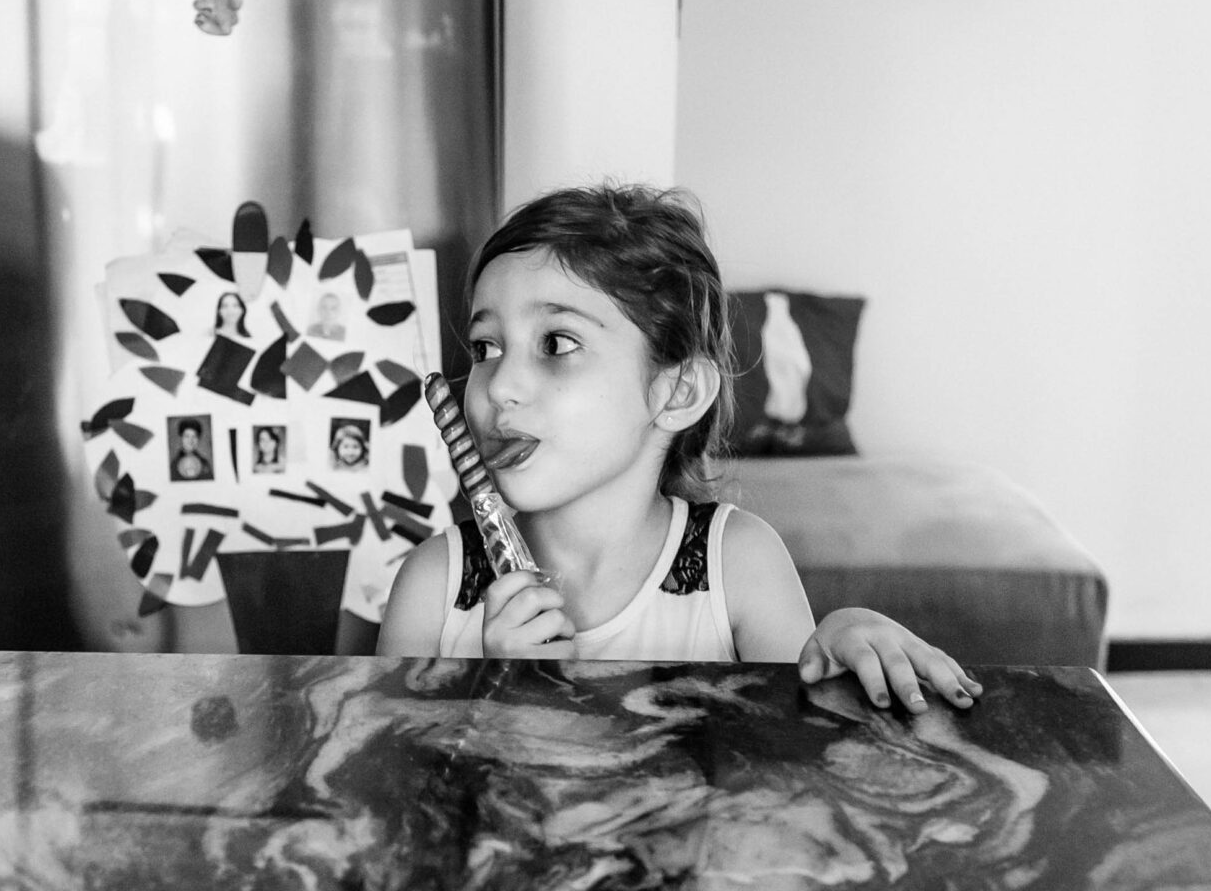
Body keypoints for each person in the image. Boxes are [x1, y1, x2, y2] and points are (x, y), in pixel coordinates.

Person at [378, 184, 980, 714]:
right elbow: (393, 787)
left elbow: (787, 765)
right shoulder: (433, 587)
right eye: (485, 347)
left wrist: (843, 641)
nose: (498, 386)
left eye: (556, 343)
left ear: (678, 391)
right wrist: (496, 694)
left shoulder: (737, 566)